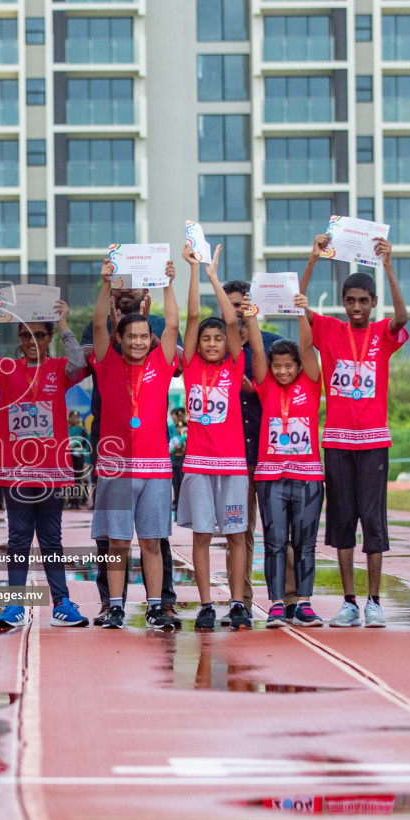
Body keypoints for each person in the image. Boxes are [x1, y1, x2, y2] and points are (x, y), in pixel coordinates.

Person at [298, 235, 410, 628]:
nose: (357, 307)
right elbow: (299, 305)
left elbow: (403, 317)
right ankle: (348, 602)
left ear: (372, 303)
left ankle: (374, 601)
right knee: (343, 520)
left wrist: (390, 265)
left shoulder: (382, 333)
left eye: (364, 301)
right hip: (338, 441)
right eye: (351, 301)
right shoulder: (329, 329)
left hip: (375, 441)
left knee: (373, 522)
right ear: (343, 303)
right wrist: (313, 260)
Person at [0, 296, 88, 631]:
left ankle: (61, 603)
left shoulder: (60, 369)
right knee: (19, 538)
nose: (31, 341)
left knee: (51, 539)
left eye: (39, 335)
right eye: (24, 335)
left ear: (48, 338)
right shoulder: (7, 369)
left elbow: (80, 364)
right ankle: (15, 603)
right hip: (15, 469)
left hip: (52, 468)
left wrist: (65, 324)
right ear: (18, 340)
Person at [81, 273, 181, 617]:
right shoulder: (106, 363)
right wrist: (105, 282)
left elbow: (173, 324)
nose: (137, 343)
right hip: (116, 469)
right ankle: (115, 607)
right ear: (118, 339)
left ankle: (155, 606)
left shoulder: (162, 363)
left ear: (150, 339)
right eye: (131, 337)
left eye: (143, 337)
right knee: (118, 544)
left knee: (152, 542)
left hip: (155, 469)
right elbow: (96, 326)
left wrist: (168, 284)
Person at [177, 242, 252, 631]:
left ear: (226, 344)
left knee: (237, 536)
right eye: (206, 339)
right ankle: (206, 603)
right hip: (198, 465)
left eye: (217, 339)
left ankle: (237, 602)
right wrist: (193, 271)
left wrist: (213, 278)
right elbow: (192, 317)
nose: (210, 343)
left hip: (233, 465)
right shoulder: (189, 366)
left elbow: (232, 320)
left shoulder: (234, 366)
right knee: (203, 537)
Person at [243, 296, 324, 628]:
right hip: (271, 476)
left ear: (299, 366)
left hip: (308, 477)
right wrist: (250, 315)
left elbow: (308, 347)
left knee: (305, 542)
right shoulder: (265, 385)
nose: (282, 370)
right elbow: (258, 351)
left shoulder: (311, 382)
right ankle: (277, 603)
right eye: (278, 366)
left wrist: (302, 312)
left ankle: (303, 603)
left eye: (288, 365)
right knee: (275, 541)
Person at [220, 279, 292, 616]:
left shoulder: (277, 347)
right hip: (234, 457)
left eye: (242, 304)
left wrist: (262, 387)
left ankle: (292, 600)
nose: (237, 311)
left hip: (274, 456)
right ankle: (241, 601)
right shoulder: (218, 350)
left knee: (283, 531)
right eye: (231, 305)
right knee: (238, 532)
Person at [168, 406, 188, 511]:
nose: (179, 417)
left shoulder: (188, 427)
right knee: (175, 484)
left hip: (184, 458)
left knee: (183, 483)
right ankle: (176, 503)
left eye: (181, 415)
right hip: (174, 458)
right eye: (177, 415)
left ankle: (184, 505)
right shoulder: (172, 428)